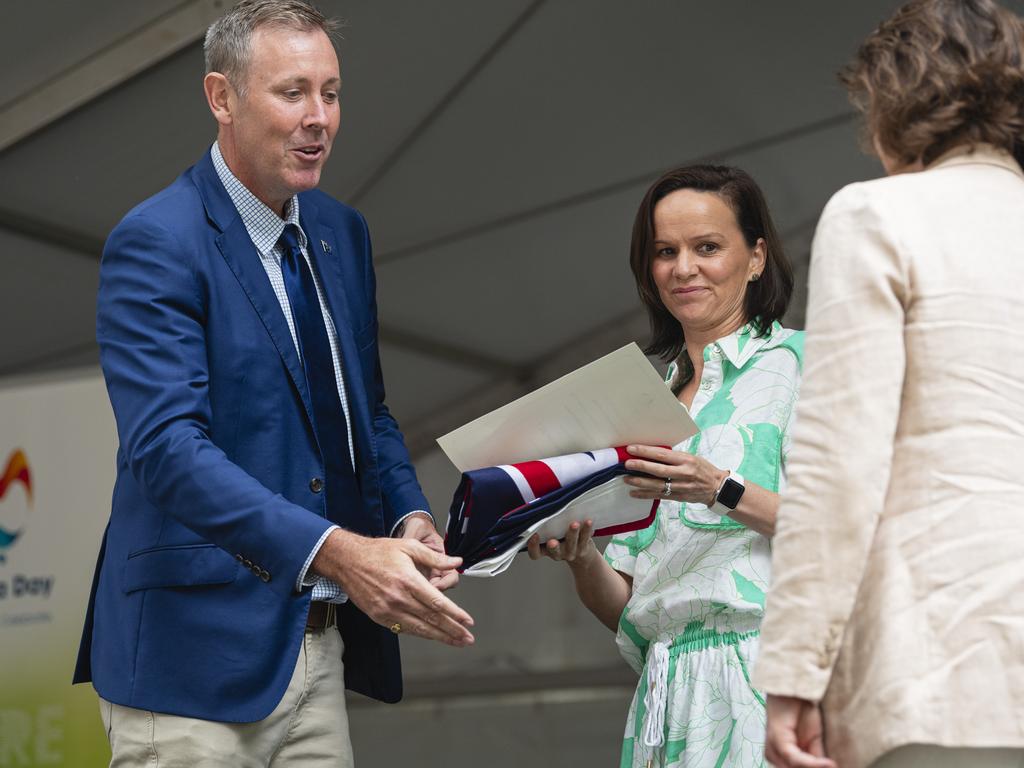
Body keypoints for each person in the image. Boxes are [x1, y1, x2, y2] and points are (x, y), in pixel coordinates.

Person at [72, 1, 475, 765]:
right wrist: (339, 552)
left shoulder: (340, 231)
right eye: (292, 92)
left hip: (316, 650)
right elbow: (166, 450)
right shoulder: (157, 239)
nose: (319, 116)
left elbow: (368, 414)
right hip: (189, 668)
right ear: (221, 98)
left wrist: (405, 519)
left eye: (331, 92)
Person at [753, 2, 1024, 767]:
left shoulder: (878, 215)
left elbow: (839, 466)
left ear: (895, 102)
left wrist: (793, 675)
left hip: (944, 667)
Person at [528, 164, 803, 768]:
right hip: (666, 691)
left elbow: (851, 530)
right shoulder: (642, 402)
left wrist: (718, 488)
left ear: (756, 257)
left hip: (774, 678)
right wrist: (581, 557)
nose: (683, 268)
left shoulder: (804, 366)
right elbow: (626, 607)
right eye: (664, 252)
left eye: (707, 247)